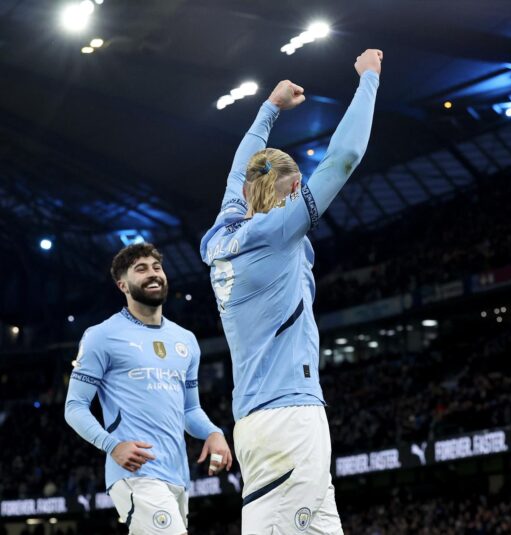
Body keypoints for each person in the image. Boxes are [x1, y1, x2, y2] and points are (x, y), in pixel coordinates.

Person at [199, 49, 382, 533]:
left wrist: (270, 108)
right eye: (298, 181)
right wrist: (368, 80)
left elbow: (240, 170)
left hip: (260, 421)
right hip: (289, 419)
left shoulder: (223, 233)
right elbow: (343, 158)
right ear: (292, 186)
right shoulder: (279, 231)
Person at [65, 243, 232, 535]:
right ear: (123, 285)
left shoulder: (186, 340)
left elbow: (190, 410)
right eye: (140, 269)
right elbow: (74, 407)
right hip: (134, 474)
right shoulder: (101, 336)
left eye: (157, 267)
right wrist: (112, 445)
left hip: (178, 475)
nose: (153, 274)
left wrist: (214, 433)